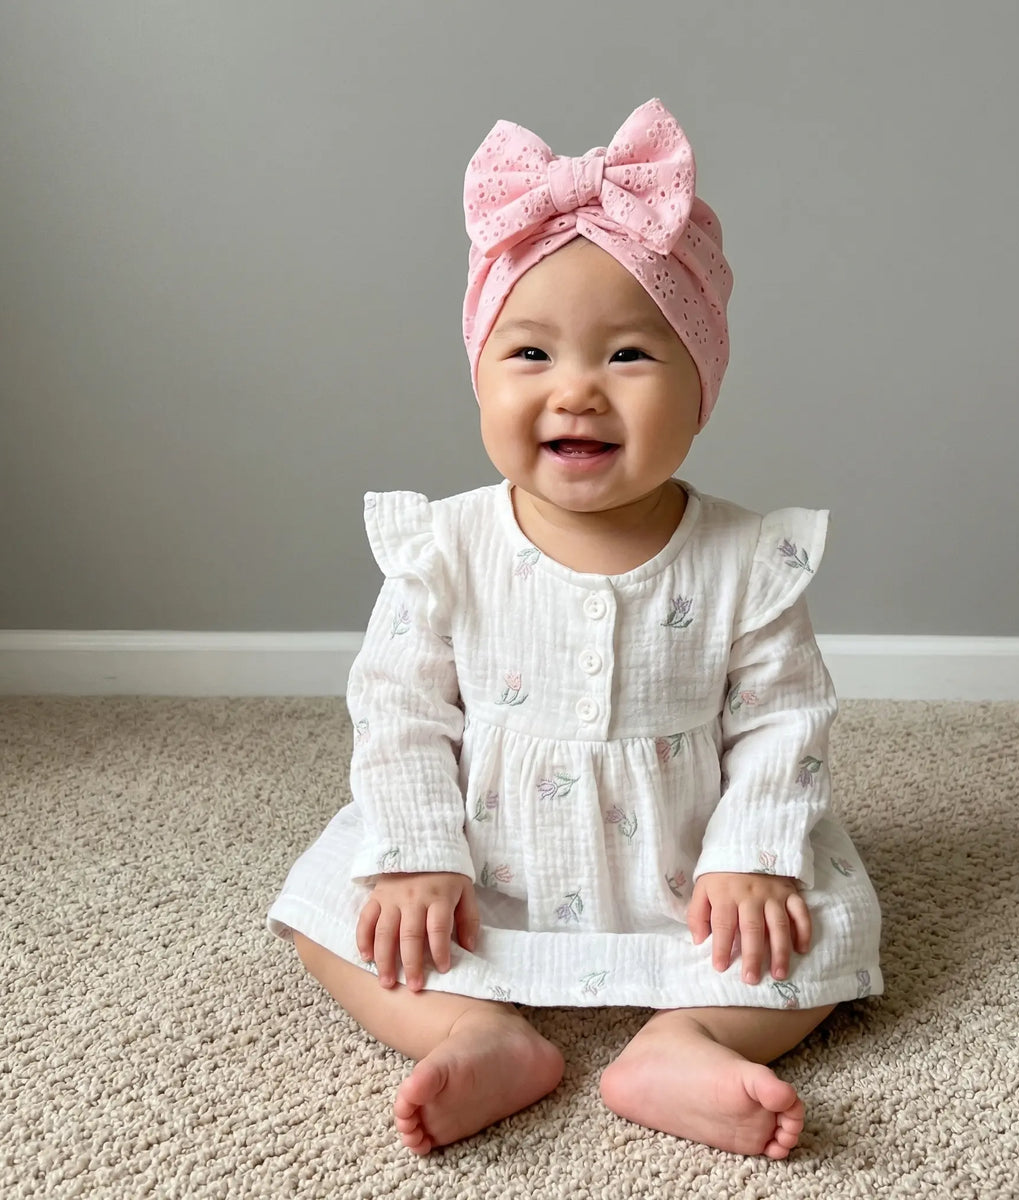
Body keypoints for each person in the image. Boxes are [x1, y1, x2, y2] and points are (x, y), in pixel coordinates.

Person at [268, 98, 882, 1160]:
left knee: (823, 939)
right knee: (331, 917)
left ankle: (683, 1040)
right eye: (532, 355)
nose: (579, 391)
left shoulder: (749, 562)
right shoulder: (442, 550)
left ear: (703, 389)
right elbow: (399, 713)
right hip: (483, 866)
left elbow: (785, 721)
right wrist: (418, 855)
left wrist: (753, 858)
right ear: (481, 374)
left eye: (633, 356)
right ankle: (477, 1030)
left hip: (693, 878)